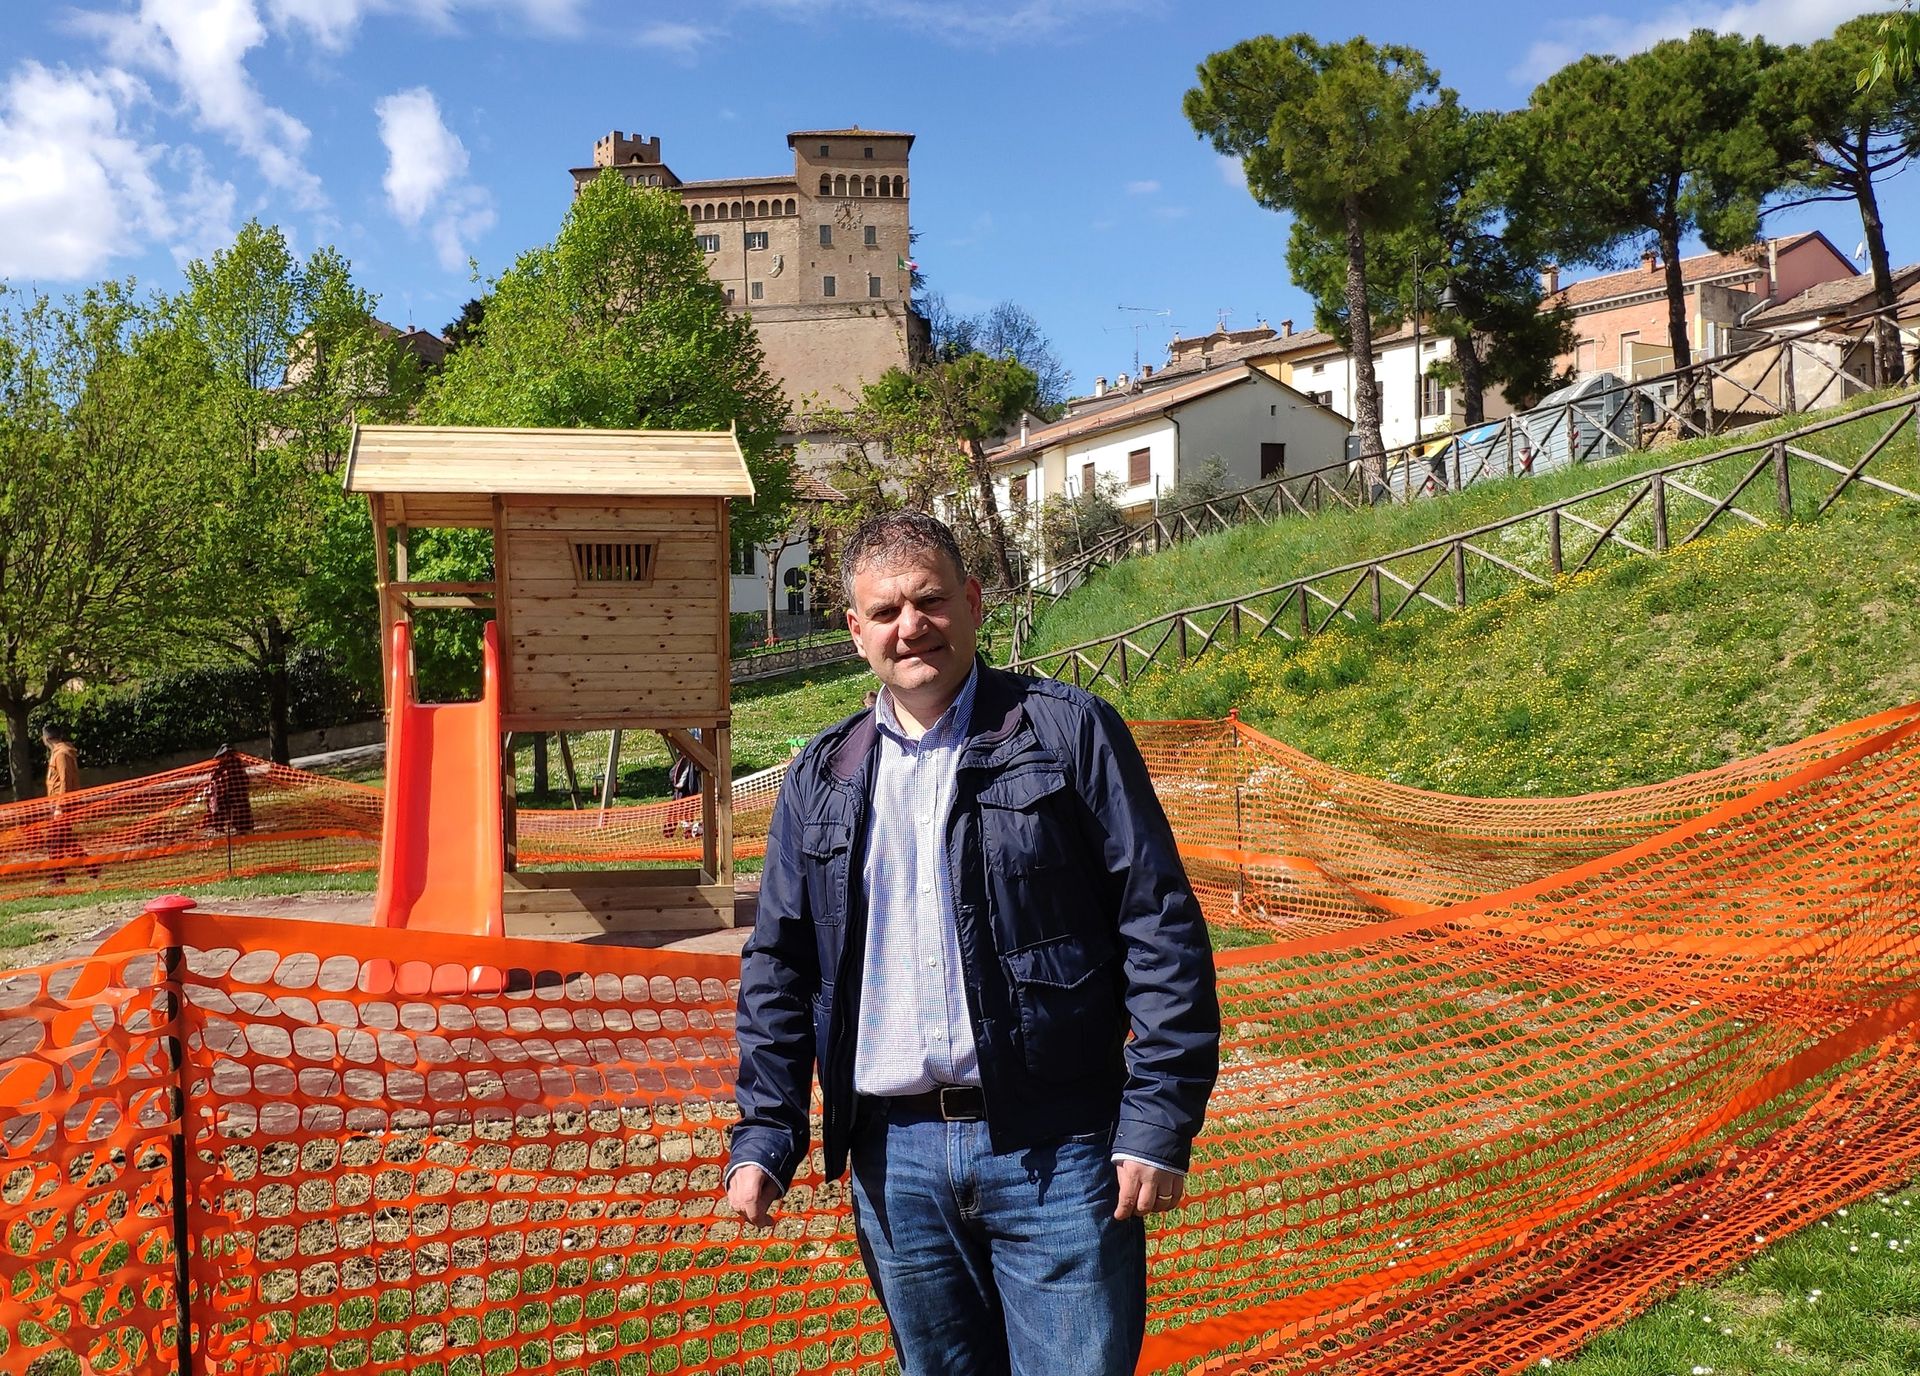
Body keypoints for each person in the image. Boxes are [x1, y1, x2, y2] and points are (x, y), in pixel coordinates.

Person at [726, 511, 1219, 1375]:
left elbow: (1158, 919)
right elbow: (780, 963)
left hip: (1058, 1149)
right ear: (854, 631)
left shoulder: (1068, 732)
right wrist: (767, 1133)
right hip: (894, 1162)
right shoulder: (821, 774)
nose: (910, 626)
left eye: (930, 600)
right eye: (885, 612)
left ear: (975, 602)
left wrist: (1157, 1121)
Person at [40, 722, 86, 874]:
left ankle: (57, 877)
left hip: (62, 806)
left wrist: (60, 806)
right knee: (65, 842)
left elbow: (65, 780)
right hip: (59, 804)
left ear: (46, 738)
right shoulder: (59, 752)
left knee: (53, 842)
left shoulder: (61, 754)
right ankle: (93, 866)